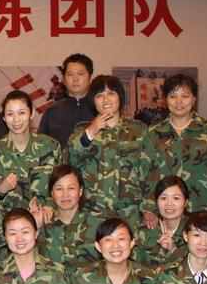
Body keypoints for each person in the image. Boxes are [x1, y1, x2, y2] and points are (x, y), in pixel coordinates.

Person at [67, 75, 157, 228]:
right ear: (92, 100)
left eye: (111, 93)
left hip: (129, 214)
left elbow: (151, 171)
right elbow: (69, 164)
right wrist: (90, 132)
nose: (105, 99)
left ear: (120, 97)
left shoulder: (138, 130)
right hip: (92, 214)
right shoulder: (82, 131)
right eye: (99, 95)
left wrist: (148, 208)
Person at [149, 74, 207, 219]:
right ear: (165, 99)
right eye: (173, 96)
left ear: (194, 99)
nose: (179, 101)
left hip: (201, 213)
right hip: (164, 213)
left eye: (185, 96)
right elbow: (147, 177)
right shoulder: (153, 133)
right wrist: (149, 210)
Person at [0, 90, 62, 213]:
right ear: (3, 117)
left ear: (31, 114)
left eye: (21, 113)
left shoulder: (50, 146)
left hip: (46, 219)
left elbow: (61, 185)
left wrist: (50, 206)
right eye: (10, 114)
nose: (16, 120)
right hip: (10, 221)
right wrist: (1, 190)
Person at [34, 165, 103, 270]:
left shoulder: (98, 224)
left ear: (80, 191)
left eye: (71, 188)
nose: (65, 194)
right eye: (59, 189)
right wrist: (36, 226)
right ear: (52, 193)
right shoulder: (43, 225)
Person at [39, 53, 94, 148]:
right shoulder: (52, 112)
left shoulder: (99, 110)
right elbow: (40, 147)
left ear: (90, 78)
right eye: (70, 74)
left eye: (80, 74)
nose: (75, 79)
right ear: (64, 80)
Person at [133, 176, 189, 268]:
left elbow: (197, 269)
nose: (169, 204)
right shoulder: (145, 231)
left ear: (186, 202)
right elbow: (132, 267)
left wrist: (173, 250)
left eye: (176, 198)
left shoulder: (196, 231)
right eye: (163, 198)